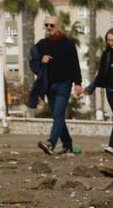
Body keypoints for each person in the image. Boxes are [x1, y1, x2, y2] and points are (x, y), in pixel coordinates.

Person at [34, 15, 81, 155]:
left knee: (59, 113)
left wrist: (77, 83)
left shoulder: (68, 44)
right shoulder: (41, 44)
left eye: (52, 25)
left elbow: (75, 65)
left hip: (64, 84)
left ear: (59, 26)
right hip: (49, 85)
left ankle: (50, 143)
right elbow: (33, 62)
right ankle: (67, 144)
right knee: (56, 115)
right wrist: (41, 60)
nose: (49, 28)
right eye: (46, 25)